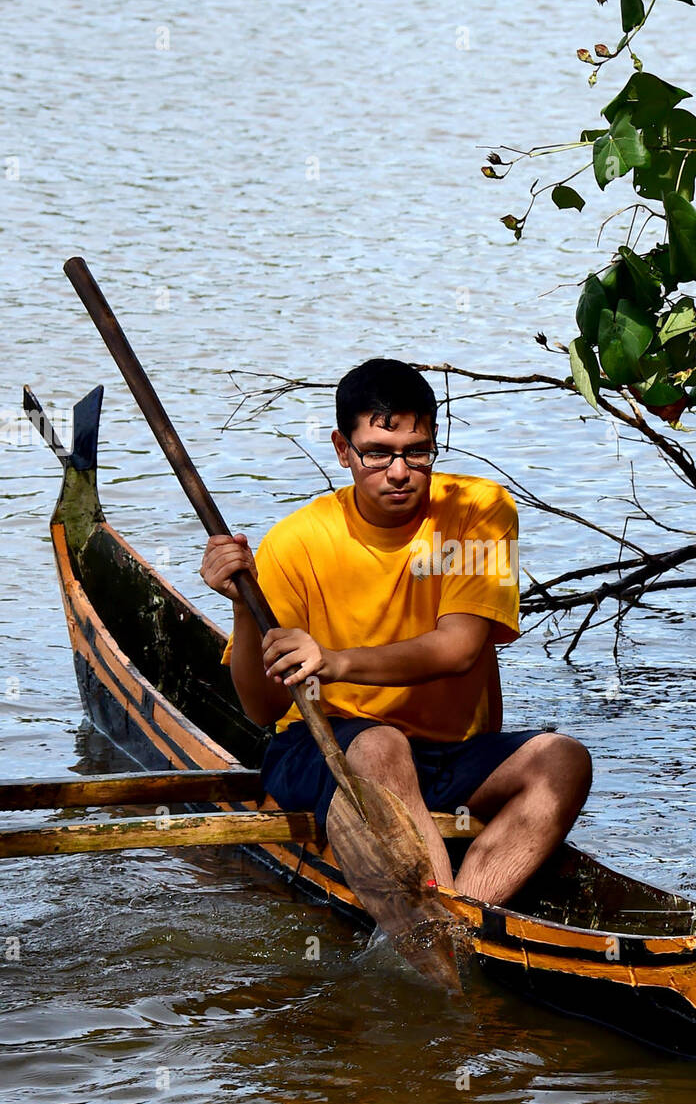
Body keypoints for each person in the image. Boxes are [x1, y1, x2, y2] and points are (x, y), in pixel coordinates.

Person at [200, 358, 592, 906]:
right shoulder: (294, 542)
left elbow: (458, 648)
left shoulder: (480, 509)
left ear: (434, 443)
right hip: (324, 752)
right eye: (378, 453)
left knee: (564, 758)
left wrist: (334, 661)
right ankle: (442, 923)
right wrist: (245, 608)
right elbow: (263, 710)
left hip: (449, 754)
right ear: (343, 450)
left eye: (417, 451)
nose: (400, 472)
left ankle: (460, 920)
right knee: (381, 744)